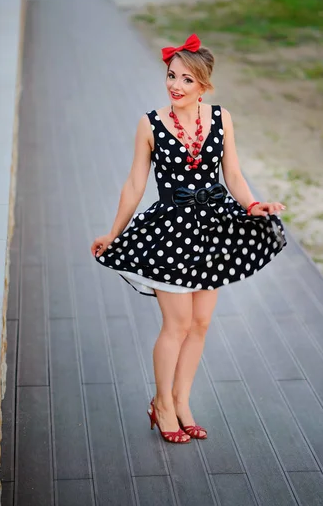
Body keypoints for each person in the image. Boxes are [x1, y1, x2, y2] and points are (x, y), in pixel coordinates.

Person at [91, 34, 287, 444]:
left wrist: (252, 205)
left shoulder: (221, 118)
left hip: (214, 229)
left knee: (200, 322)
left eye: (186, 80)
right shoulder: (150, 123)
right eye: (171, 76)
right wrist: (114, 232)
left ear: (204, 85)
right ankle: (161, 403)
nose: (175, 86)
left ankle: (181, 401)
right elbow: (133, 185)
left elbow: (232, 175)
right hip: (170, 233)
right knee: (177, 324)